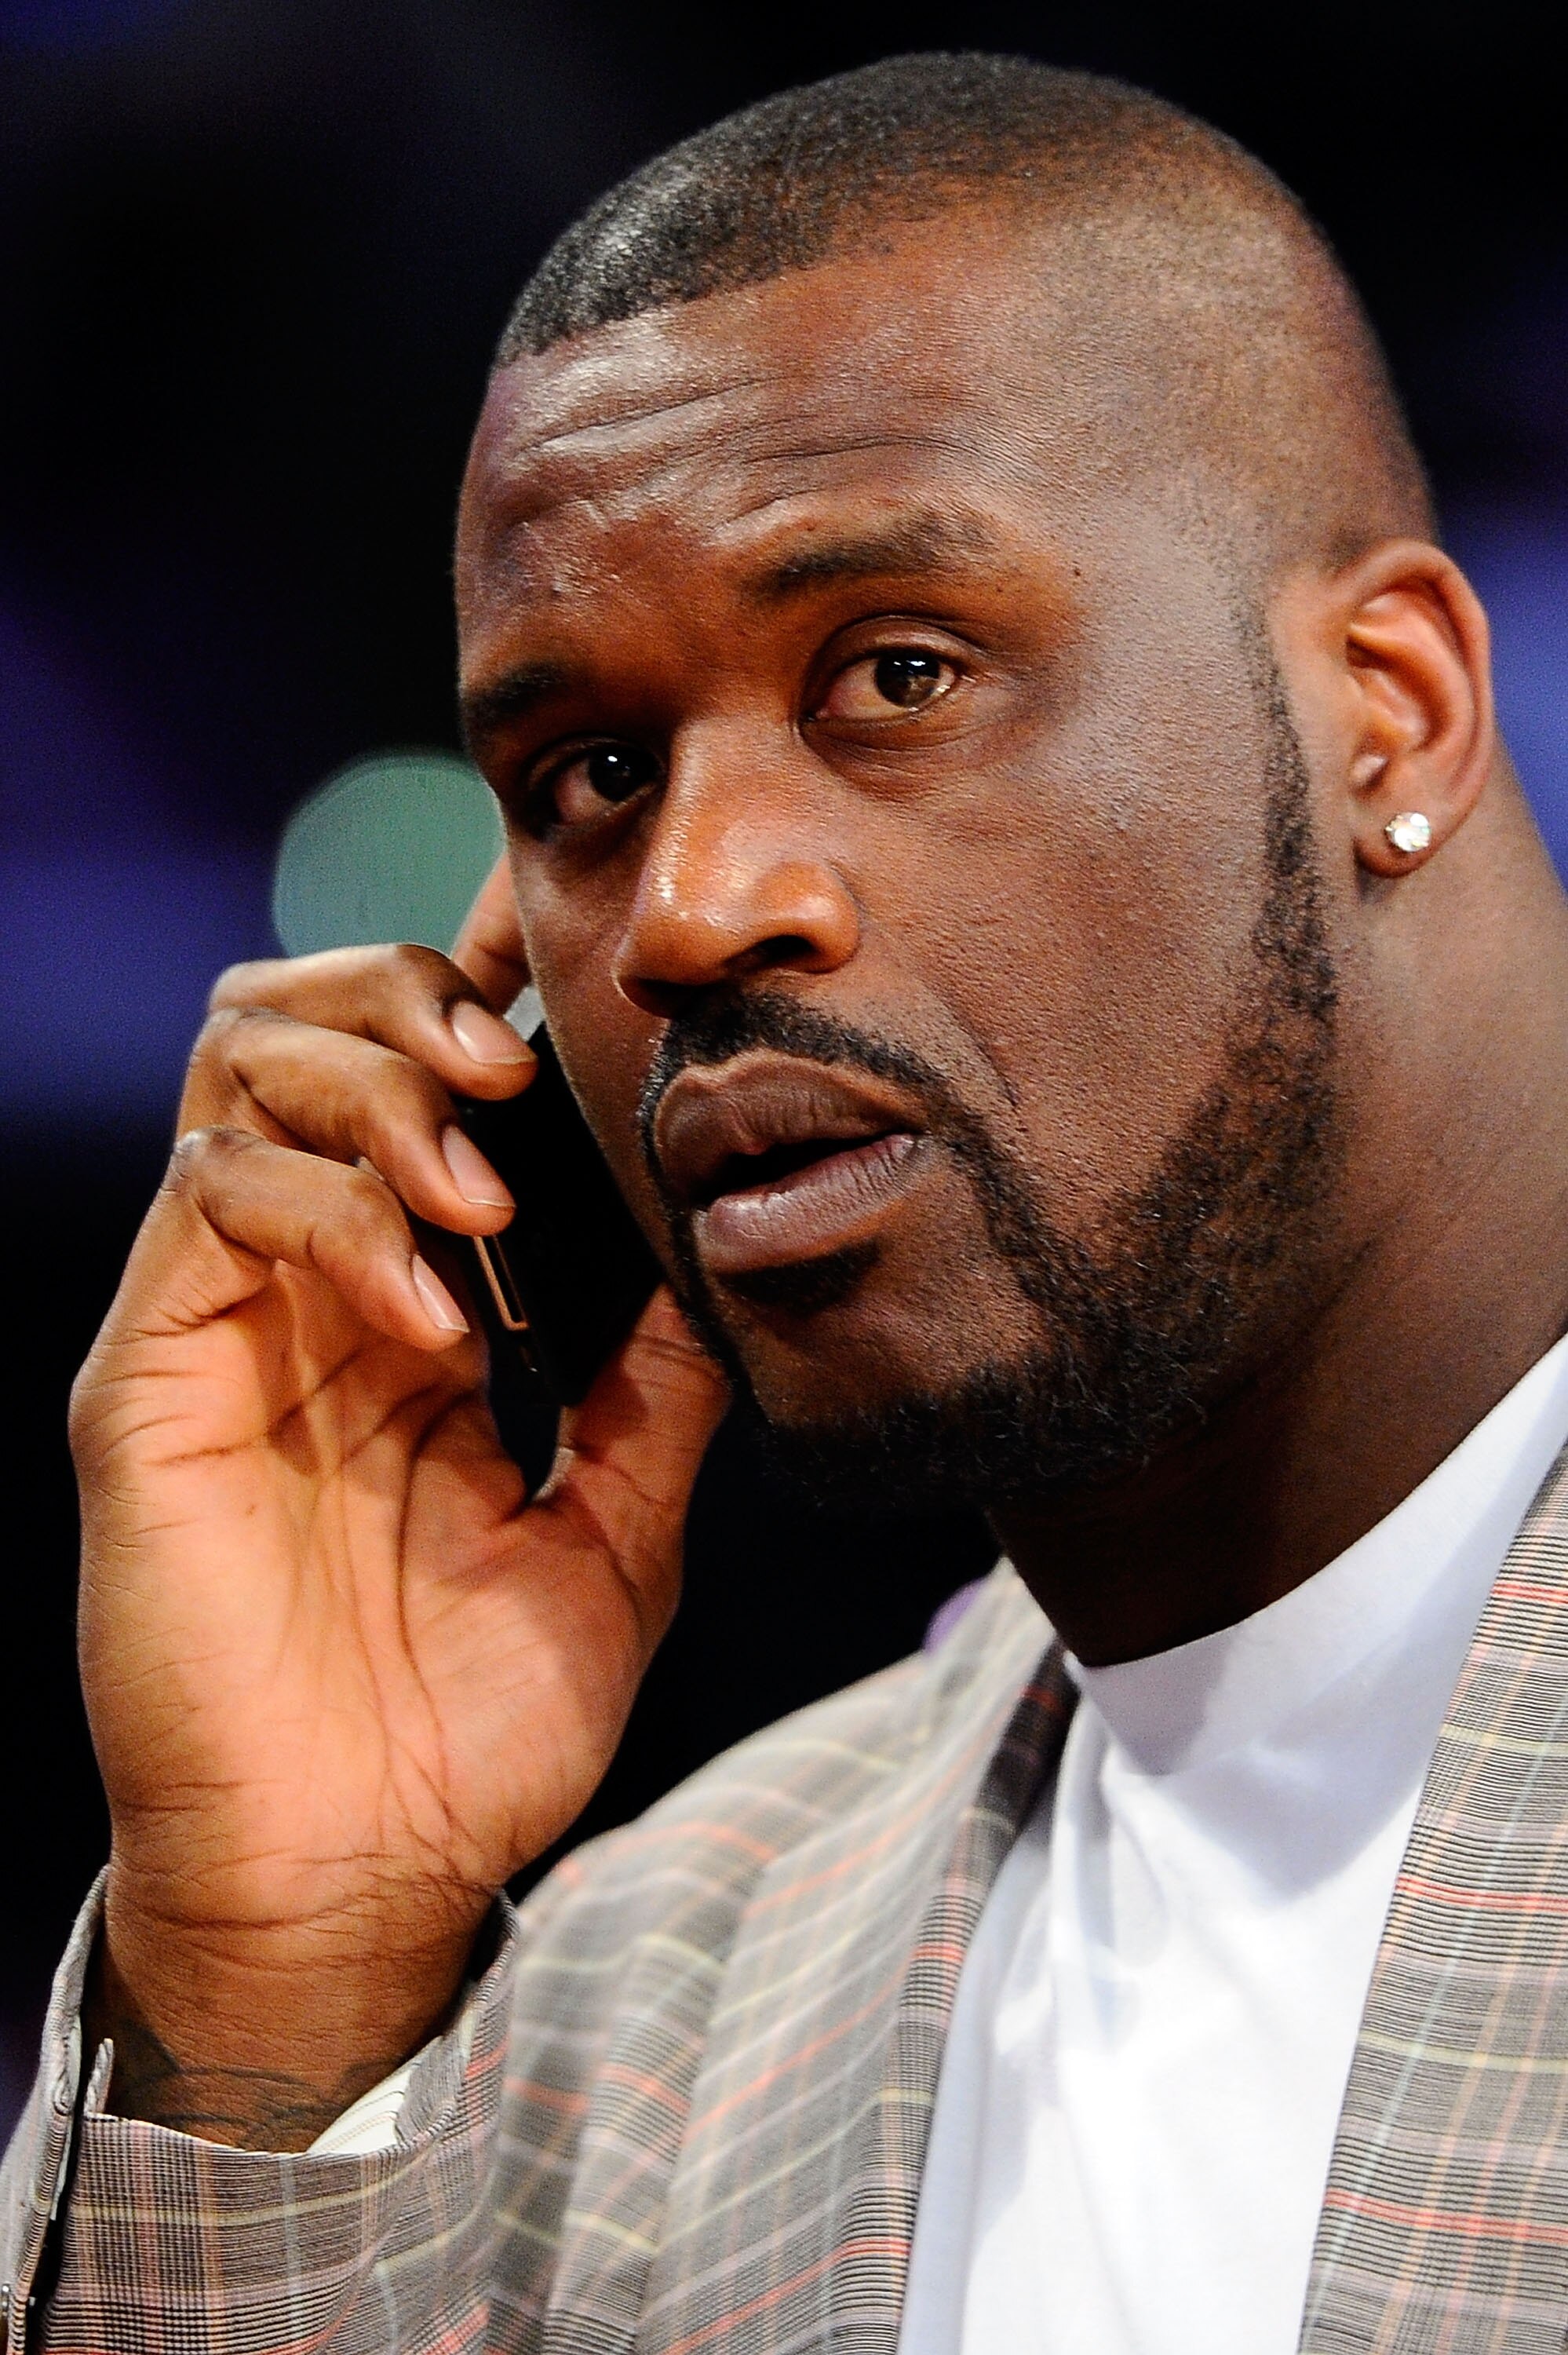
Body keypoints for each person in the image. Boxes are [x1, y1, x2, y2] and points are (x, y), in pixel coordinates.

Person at [5, 48, 1568, 2355]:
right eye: (593, 776)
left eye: (897, 672)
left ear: (1393, 710)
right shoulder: (641, 2002)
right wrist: (275, 1965)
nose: (688, 911)